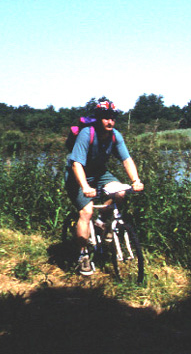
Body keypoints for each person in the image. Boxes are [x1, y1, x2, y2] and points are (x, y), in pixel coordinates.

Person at [65, 100, 143, 275]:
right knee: (86, 212)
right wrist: (85, 186)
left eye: (113, 118)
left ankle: (101, 222)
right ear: (98, 119)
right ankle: (83, 256)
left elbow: (126, 160)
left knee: (121, 192)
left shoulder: (115, 135)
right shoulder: (87, 134)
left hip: (100, 174)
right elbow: (76, 164)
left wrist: (136, 180)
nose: (110, 122)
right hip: (78, 176)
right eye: (106, 118)